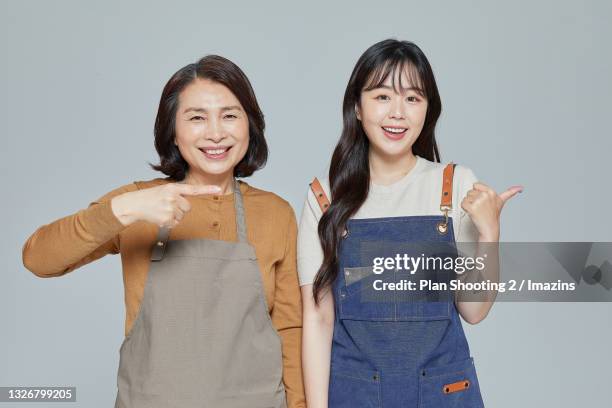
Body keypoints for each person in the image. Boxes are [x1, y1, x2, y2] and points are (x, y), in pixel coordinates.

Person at [22, 55, 305, 408]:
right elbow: (39, 259)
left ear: (250, 125)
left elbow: (289, 330)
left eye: (229, 115)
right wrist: (125, 210)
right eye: (197, 118)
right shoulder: (138, 203)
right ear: (172, 130)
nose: (216, 132)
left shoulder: (276, 213)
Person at [299, 39, 522, 407]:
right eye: (383, 96)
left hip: (444, 396)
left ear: (428, 109)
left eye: (413, 98)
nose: (397, 113)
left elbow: (474, 310)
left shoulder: (455, 185)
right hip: (355, 396)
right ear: (357, 106)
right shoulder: (324, 195)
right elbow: (318, 318)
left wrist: (490, 233)